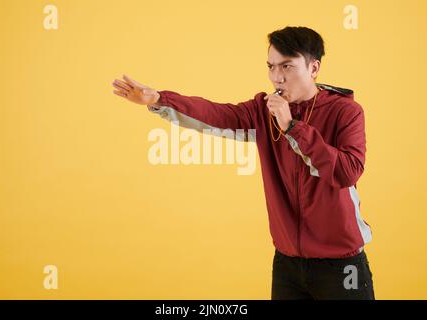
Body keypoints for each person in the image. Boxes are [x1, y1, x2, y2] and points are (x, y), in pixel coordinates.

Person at [112, 26, 375, 300]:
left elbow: (347, 172)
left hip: (341, 264)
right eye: (271, 66)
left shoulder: (346, 112)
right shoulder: (263, 111)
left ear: (313, 68)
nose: (277, 77)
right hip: (287, 263)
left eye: (287, 66)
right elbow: (215, 115)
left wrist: (291, 126)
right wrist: (159, 100)